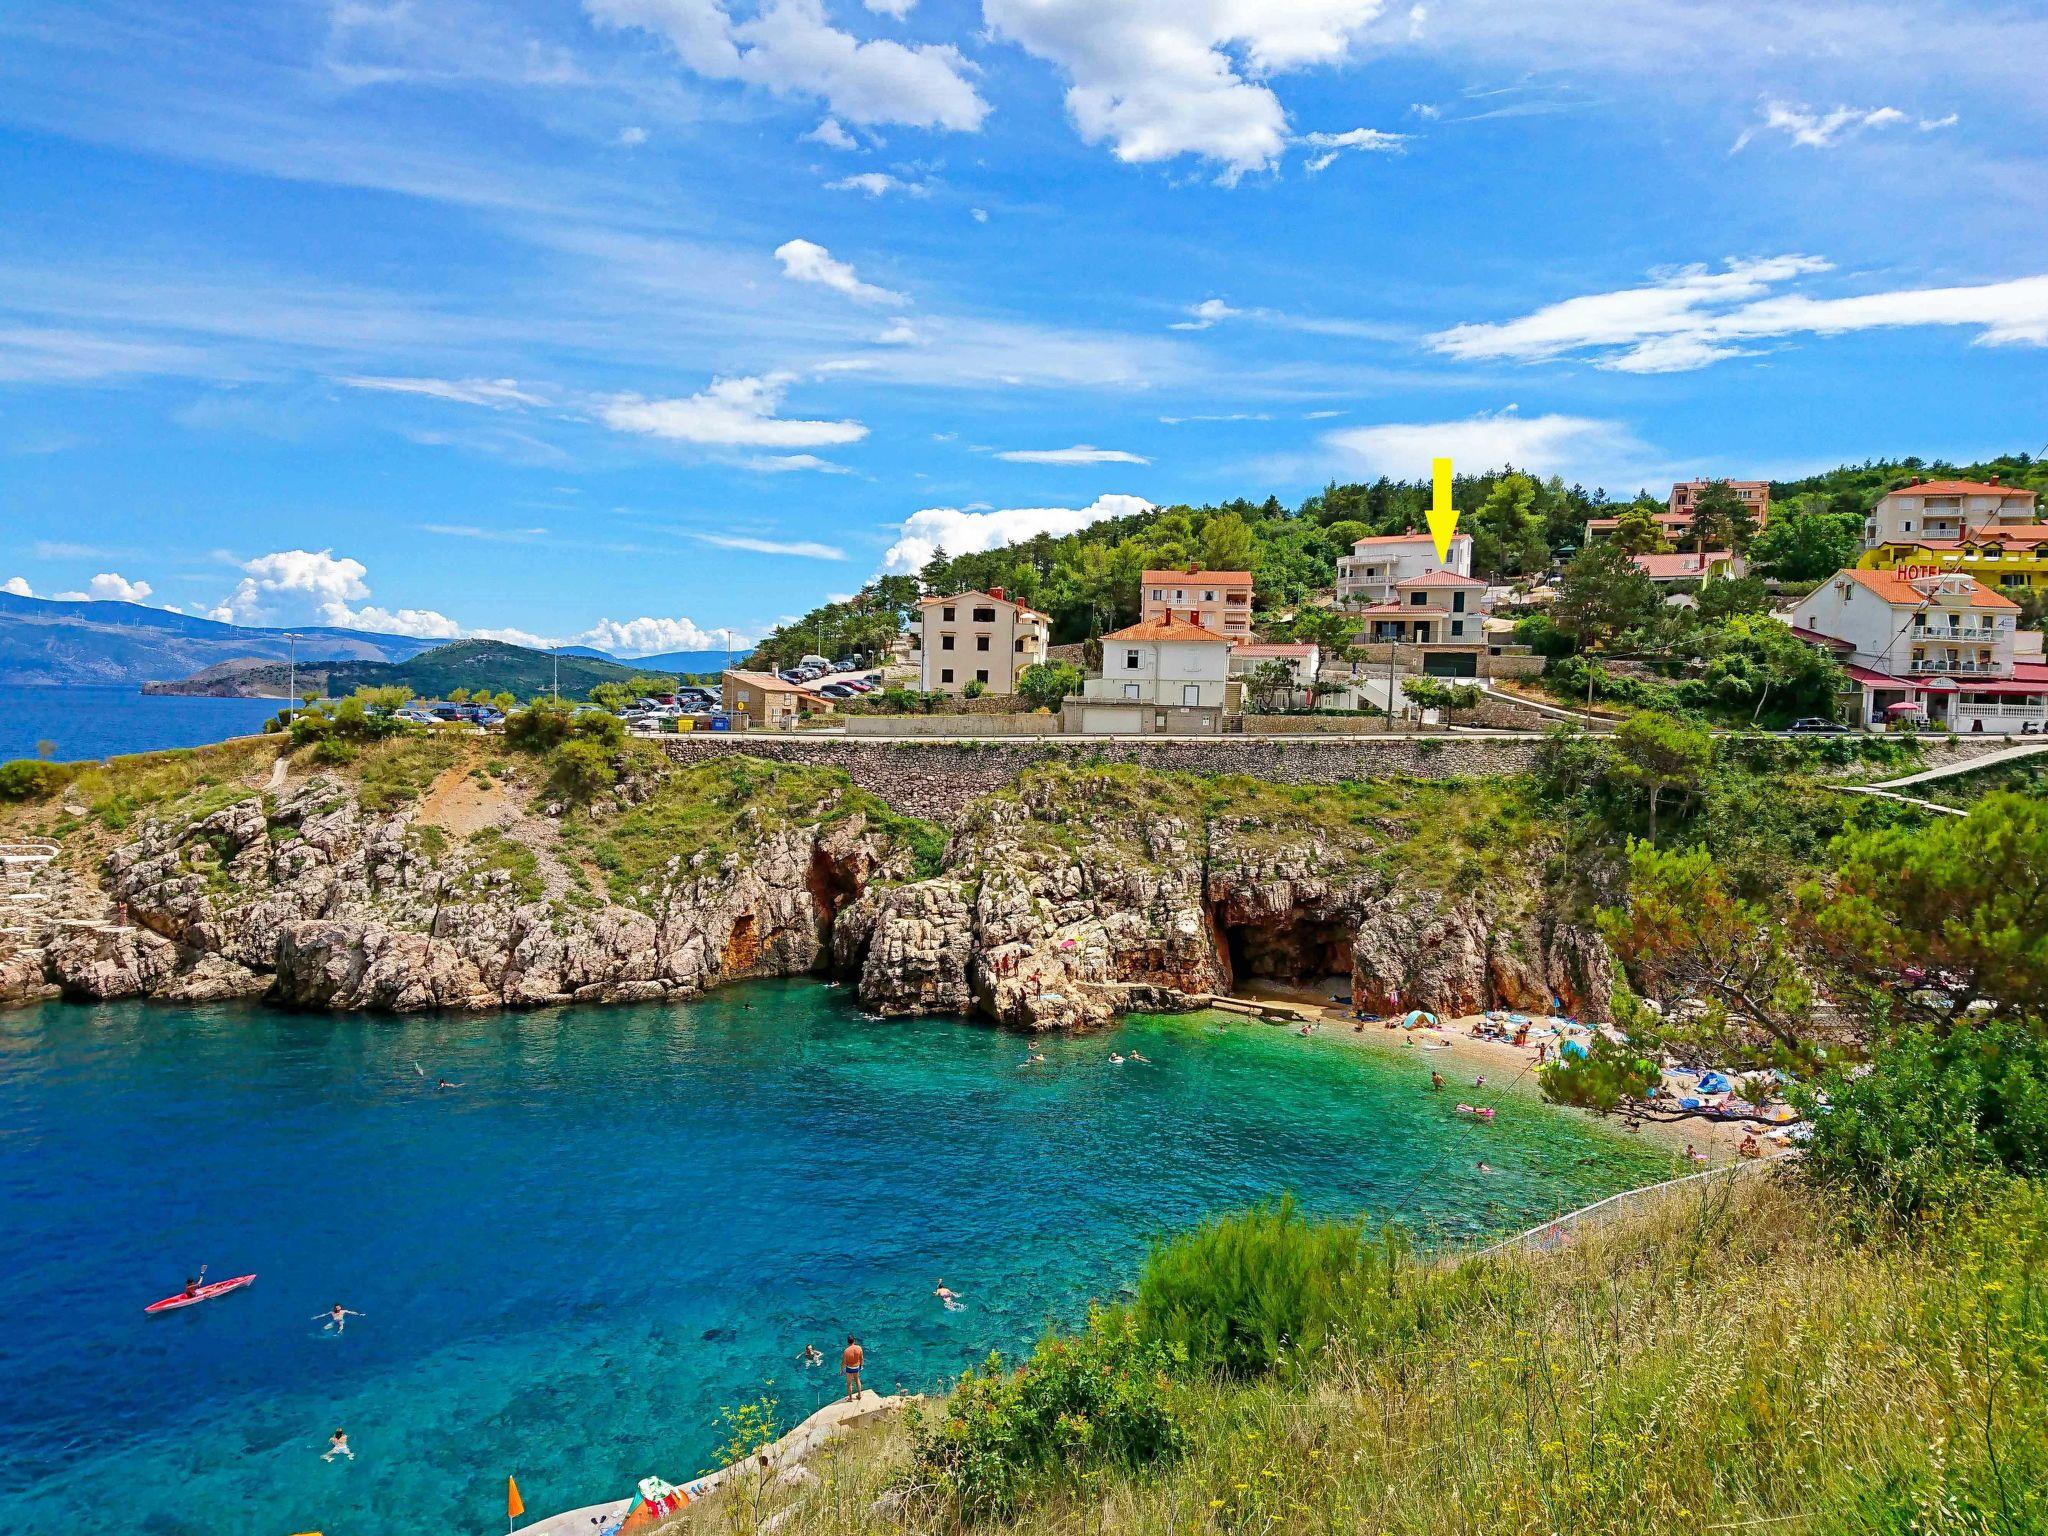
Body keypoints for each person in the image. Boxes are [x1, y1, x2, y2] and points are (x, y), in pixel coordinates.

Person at [841, 1336, 865, 1401]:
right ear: (854, 1341)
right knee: (857, 1380)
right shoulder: (859, 1348)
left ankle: (850, 1398)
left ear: (847, 1342)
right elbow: (861, 1358)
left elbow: (844, 1362)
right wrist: (861, 1365)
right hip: (857, 1367)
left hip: (849, 1368)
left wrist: (841, 1370)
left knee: (849, 1383)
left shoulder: (846, 1351)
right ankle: (859, 1395)